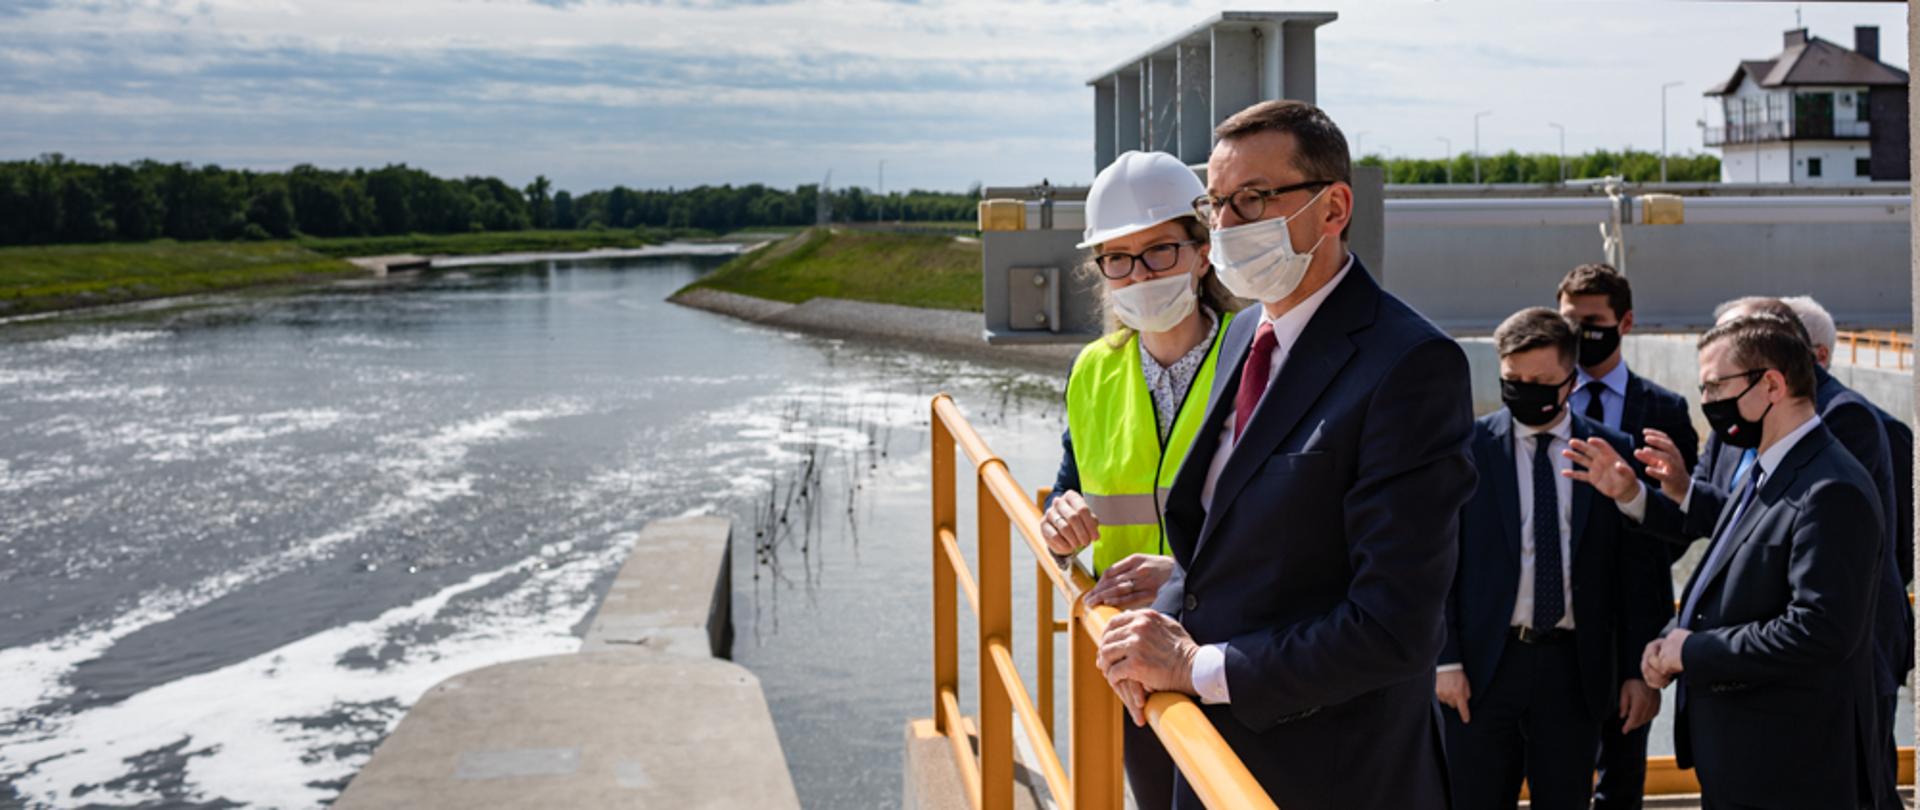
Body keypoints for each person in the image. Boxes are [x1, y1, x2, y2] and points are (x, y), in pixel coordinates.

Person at [1091, 99, 1477, 810]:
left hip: (1327, 773)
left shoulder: (1411, 366)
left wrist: (1199, 666)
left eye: (1254, 199)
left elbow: (1393, 627)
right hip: (1209, 752)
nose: (1229, 226)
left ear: (1333, 209)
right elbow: (1224, 538)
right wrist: (1157, 629)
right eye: (1217, 204)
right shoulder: (1242, 336)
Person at [1568, 315, 1884, 809]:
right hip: (1747, 760)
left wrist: (1691, 652)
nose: (1708, 400)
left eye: (1717, 385)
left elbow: (1820, 631)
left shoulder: (1831, 489)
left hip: (1792, 769)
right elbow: (1731, 578)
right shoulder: (1768, 467)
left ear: (1773, 384)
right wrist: (1672, 638)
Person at [1038, 149, 1240, 810]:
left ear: (1202, 252)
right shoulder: (1094, 370)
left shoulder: (1258, 358)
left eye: (1158, 251)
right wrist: (1059, 526)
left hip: (1234, 648)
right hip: (1133, 654)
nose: (1137, 273)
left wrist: (1183, 573)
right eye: (1117, 258)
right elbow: (1071, 488)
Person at [1437, 307, 1662, 809]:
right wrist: (1444, 659)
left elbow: (1637, 574)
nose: (1526, 390)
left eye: (1541, 381)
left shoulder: (1611, 454)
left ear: (1570, 380)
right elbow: (1439, 563)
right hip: (1482, 670)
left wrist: (1637, 672)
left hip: (1572, 671)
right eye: (1514, 380)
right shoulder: (1468, 450)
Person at [1553, 263, 1693, 809]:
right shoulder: (1544, 401)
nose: (1579, 335)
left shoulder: (1663, 411)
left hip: (1626, 629)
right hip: (1553, 619)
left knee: (1621, 781)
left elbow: (1678, 523)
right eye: (1569, 321)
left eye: (1592, 322)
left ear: (1624, 322)